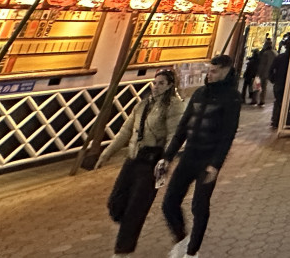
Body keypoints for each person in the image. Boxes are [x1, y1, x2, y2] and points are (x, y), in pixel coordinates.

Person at [159, 54, 241, 258]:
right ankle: (182, 239)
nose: (210, 75)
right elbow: (183, 128)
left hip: (208, 159)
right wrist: (168, 156)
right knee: (169, 202)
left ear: (226, 71)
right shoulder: (199, 94)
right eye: (209, 70)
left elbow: (228, 134)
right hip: (189, 156)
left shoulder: (232, 98)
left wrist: (216, 164)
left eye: (214, 71)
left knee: (199, 205)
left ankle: (192, 251)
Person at [97, 68, 184, 257]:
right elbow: (126, 130)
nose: (156, 86)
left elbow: (173, 135)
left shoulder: (174, 106)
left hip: (151, 162)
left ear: (170, 85)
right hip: (133, 158)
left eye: (162, 83)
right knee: (116, 202)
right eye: (155, 82)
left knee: (136, 207)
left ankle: (122, 250)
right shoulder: (143, 104)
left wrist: (166, 159)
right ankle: (127, 227)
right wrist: (107, 153)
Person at [269, 40, 290, 128]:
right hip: (286, 83)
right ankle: (282, 120)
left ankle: (276, 120)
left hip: (279, 83)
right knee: (284, 102)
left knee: (278, 102)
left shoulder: (280, 57)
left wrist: (273, 79)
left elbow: (271, 69)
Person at [256, 37, 276, 107]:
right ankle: (261, 100)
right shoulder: (274, 53)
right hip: (271, 72)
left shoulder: (265, 54)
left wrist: (258, 72)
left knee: (260, 86)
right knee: (264, 86)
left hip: (264, 72)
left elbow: (262, 64)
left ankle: (260, 100)